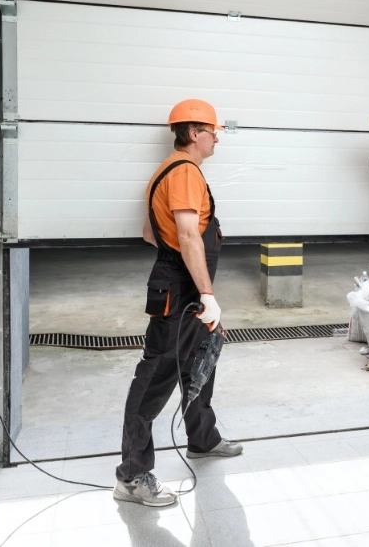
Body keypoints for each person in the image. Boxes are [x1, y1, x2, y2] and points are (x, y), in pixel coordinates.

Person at [113, 99, 243, 507]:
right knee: (156, 379)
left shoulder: (172, 172)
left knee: (199, 364)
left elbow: (150, 233)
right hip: (179, 291)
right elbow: (187, 237)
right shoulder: (185, 172)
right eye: (212, 131)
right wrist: (206, 293)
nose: (216, 137)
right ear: (193, 133)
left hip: (180, 284)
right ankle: (132, 476)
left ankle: (203, 440)